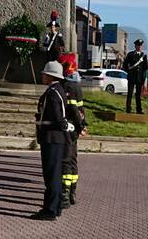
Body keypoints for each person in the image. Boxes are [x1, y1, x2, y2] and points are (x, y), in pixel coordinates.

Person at [30, 61, 70, 221]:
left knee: (51, 175)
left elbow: (57, 117)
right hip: (55, 137)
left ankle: (50, 209)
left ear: (50, 75)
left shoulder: (53, 93)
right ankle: (56, 206)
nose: (42, 76)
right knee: (55, 173)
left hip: (52, 137)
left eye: (44, 74)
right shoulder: (57, 90)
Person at [58, 54, 87, 210]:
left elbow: (74, 109)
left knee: (66, 161)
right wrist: (83, 125)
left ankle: (65, 194)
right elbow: (81, 109)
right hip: (75, 128)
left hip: (68, 128)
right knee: (73, 160)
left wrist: (79, 124)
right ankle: (72, 193)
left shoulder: (67, 86)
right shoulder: (77, 86)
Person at [123, 39, 148, 114]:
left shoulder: (143, 56)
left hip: (139, 78)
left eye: (140, 45)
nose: (139, 47)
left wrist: (144, 78)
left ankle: (139, 109)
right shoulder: (130, 54)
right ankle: (128, 109)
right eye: (138, 45)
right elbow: (125, 65)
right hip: (131, 77)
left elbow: (145, 67)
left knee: (138, 95)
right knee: (130, 94)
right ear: (135, 46)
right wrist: (129, 71)